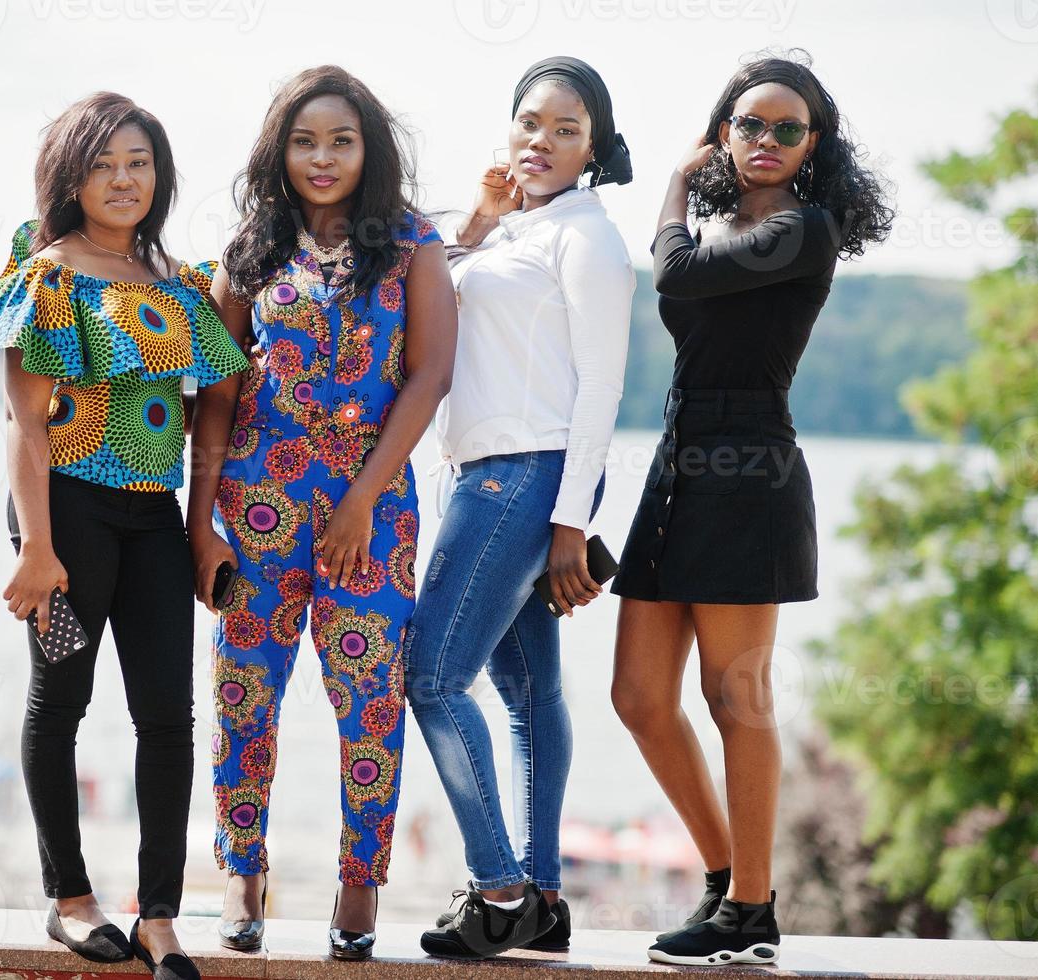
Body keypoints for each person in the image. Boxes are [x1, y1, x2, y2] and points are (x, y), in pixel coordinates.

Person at [608, 52, 893, 966]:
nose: (763, 140)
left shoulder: (805, 231)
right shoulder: (724, 225)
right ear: (722, 130)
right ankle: (729, 879)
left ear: (813, 146)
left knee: (735, 699)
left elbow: (672, 275)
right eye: (747, 124)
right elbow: (684, 274)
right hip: (677, 457)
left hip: (750, 467)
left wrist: (669, 185)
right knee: (639, 697)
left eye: (785, 129)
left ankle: (750, 912)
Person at [0, 92, 249, 980]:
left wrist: (203, 536)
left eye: (139, 163)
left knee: (167, 716)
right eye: (103, 165)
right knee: (62, 706)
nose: (123, 180)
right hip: (68, 511)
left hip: (153, 512)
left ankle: (159, 914)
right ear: (70, 178)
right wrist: (36, 548)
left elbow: (210, 423)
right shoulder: (47, 273)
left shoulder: (177, 284)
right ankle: (70, 900)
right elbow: (25, 426)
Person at [185, 64, 457, 961]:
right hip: (254, 509)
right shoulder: (251, 251)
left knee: (369, 702)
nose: (323, 157)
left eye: (341, 140)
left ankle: (357, 885)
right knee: (243, 693)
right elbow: (216, 391)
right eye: (304, 141)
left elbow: (428, 377)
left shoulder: (413, 243)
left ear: (369, 148)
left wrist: (360, 501)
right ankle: (242, 872)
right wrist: (203, 519)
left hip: (369, 519)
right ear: (280, 152)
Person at [404, 55, 636, 959]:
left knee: (430, 675)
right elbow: (437, 299)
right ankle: (540, 896)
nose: (541, 140)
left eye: (566, 129)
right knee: (525, 690)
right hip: (489, 472)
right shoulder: (510, 231)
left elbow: (601, 388)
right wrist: (478, 218)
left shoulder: (588, 238)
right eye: (529, 122)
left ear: (593, 150)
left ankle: (497, 887)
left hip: (522, 475)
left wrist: (572, 524)